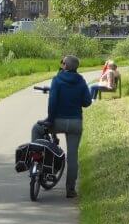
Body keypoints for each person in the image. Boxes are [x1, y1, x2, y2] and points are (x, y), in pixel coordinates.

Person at [31, 54, 92, 198]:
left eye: (62, 63)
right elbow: (87, 102)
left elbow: (52, 103)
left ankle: (38, 160)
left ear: (65, 65)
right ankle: (70, 190)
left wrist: (50, 120)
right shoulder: (81, 81)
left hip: (57, 121)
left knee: (37, 129)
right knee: (72, 157)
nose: (61, 64)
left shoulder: (57, 80)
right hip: (75, 123)